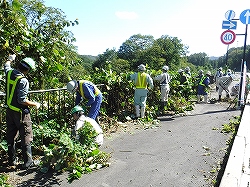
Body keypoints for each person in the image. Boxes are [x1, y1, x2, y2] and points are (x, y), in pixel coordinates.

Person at [4, 54, 40, 169]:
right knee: (26, 134)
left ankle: (12, 160)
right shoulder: (23, 80)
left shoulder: (9, 73)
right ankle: (28, 162)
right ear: (28, 70)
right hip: (20, 113)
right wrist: (35, 104)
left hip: (9, 110)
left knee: (11, 135)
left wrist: (10, 59)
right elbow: (22, 100)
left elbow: (6, 66)